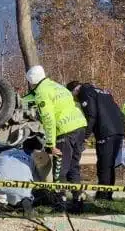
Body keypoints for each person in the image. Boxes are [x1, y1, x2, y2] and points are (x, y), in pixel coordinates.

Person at [25, 66, 87, 211]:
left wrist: (51, 144)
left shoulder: (41, 92)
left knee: (60, 171)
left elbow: (49, 119)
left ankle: (61, 204)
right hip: (80, 127)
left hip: (65, 131)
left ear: (31, 81)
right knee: (73, 167)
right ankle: (78, 203)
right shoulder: (57, 86)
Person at [67, 81, 125, 200]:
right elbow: (119, 112)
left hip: (105, 131)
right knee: (109, 165)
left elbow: (91, 115)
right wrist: (124, 131)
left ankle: (103, 195)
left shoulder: (85, 92)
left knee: (104, 166)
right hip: (118, 130)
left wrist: (85, 136)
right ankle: (108, 194)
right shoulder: (102, 91)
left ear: (74, 91)